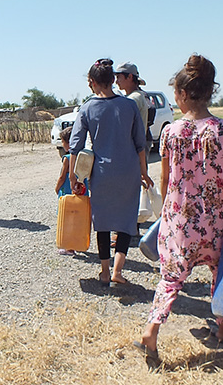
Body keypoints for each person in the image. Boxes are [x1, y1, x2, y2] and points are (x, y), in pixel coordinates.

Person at [134, 54, 223, 362]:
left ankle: (151, 332)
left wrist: (165, 218)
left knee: (170, 279)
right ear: (210, 92)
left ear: (181, 94)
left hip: (179, 223)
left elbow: (167, 181)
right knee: (221, 273)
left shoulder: (171, 132)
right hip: (218, 223)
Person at [69, 59, 153, 285]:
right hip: (129, 172)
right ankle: (118, 271)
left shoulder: (87, 108)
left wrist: (73, 176)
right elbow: (139, 144)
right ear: (111, 80)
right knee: (126, 221)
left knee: (103, 223)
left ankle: (104, 272)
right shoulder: (129, 106)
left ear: (94, 82)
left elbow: (75, 146)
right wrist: (143, 172)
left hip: (102, 174)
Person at [113, 62, 153, 247]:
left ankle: (126, 231)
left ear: (129, 77)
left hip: (132, 147)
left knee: (126, 189)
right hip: (139, 146)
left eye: (119, 76)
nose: (116, 80)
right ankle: (132, 228)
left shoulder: (134, 99)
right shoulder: (139, 96)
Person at [54, 126, 89, 256]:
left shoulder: (67, 158)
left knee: (67, 219)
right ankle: (78, 244)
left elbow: (63, 176)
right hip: (82, 192)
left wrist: (57, 188)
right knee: (79, 219)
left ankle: (68, 247)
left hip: (68, 193)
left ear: (67, 143)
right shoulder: (84, 156)